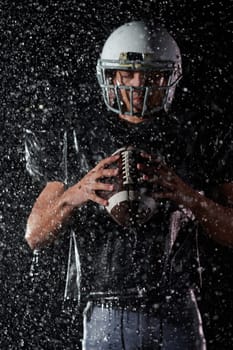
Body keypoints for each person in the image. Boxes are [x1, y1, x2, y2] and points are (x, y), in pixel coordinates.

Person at [24, 20, 233, 350]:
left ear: (170, 77)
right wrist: (75, 194)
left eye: (151, 74)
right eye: (128, 73)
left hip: (177, 305)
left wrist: (190, 197)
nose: (139, 84)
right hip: (106, 311)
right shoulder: (81, 136)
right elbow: (35, 235)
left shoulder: (196, 132)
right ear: (110, 76)